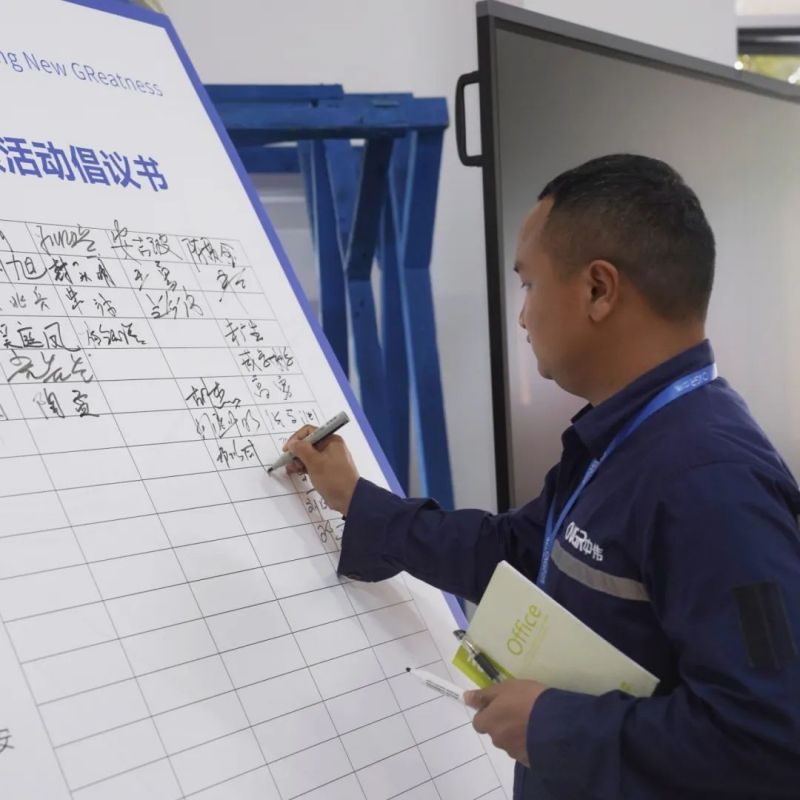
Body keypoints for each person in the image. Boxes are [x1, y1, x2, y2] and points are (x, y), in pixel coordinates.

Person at [284, 154, 800, 799]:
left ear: (598, 290)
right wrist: (357, 500)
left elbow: (768, 743)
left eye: (528, 284)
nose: (524, 316)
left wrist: (552, 727)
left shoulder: (709, 482)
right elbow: (515, 551)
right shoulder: (627, 438)